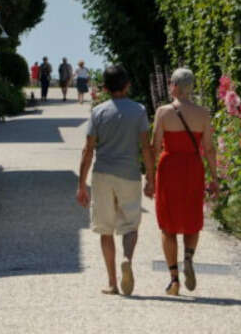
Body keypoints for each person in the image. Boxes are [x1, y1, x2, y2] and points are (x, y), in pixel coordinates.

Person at [76, 65, 155, 295]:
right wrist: (150, 177)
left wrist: (81, 184)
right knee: (130, 224)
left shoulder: (98, 112)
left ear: (105, 88)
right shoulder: (139, 111)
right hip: (129, 174)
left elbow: (88, 150)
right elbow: (146, 147)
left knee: (105, 229)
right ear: (127, 85)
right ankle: (127, 258)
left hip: (102, 175)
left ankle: (112, 282)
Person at [150, 68, 216, 295]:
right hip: (193, 167)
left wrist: (150, 177)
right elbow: (209, 148)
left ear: (175, 86)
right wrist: (215, 177)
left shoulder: (163, 112)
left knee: (167, 224)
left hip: (170, 168)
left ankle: (174, 279)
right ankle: (188, 257)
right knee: (191, 216)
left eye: (171, 83)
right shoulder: (203, 113)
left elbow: (156, 144)